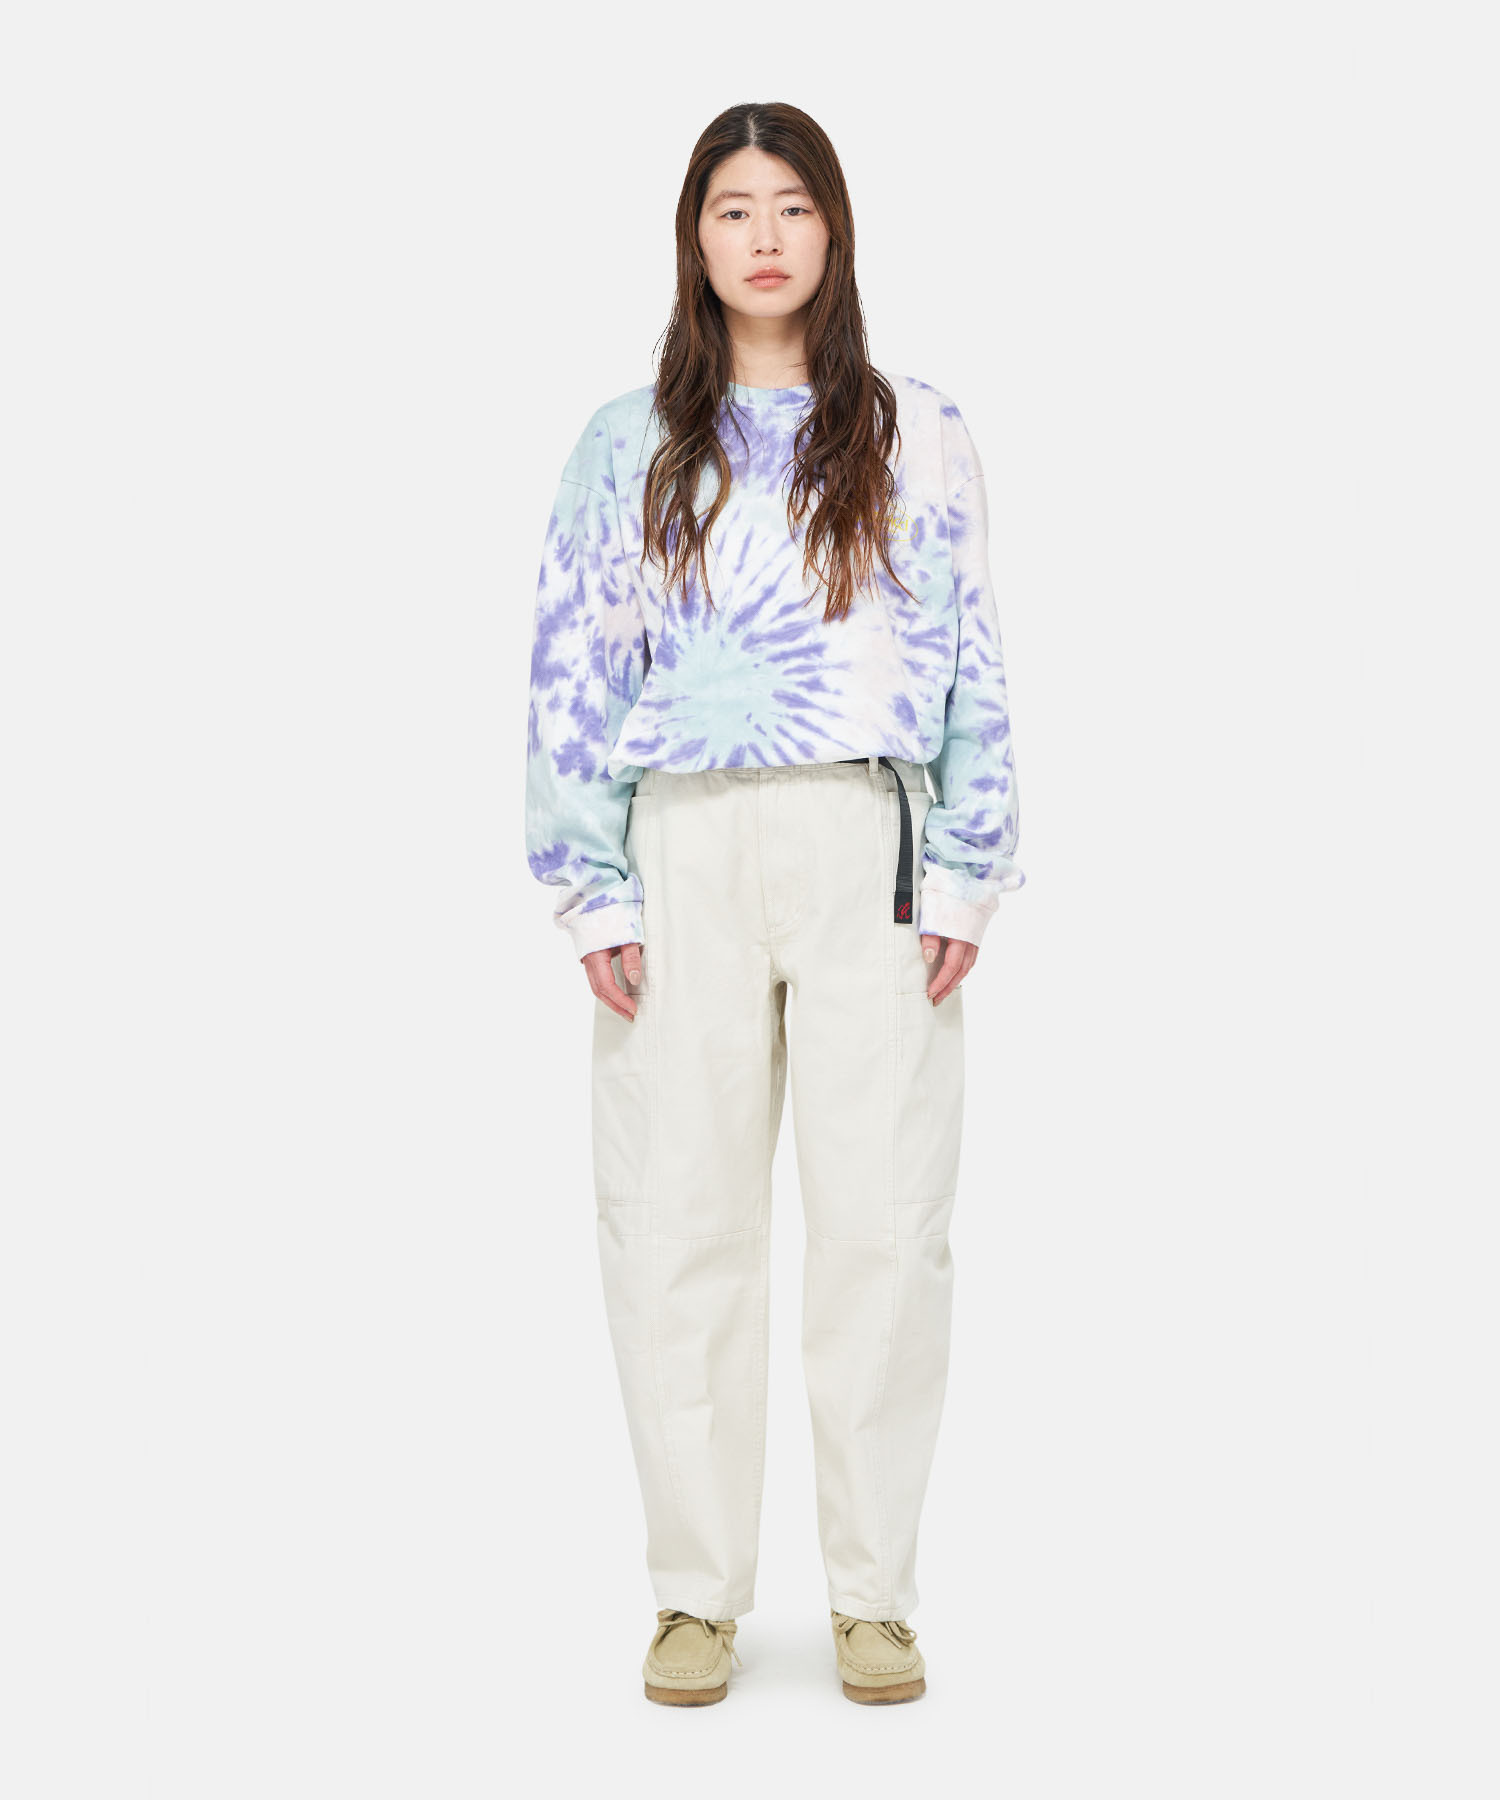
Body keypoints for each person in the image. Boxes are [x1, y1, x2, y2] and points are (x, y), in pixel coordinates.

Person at [524, 100, 1024, 1707]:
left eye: (792, 206)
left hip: (870, 837)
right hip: (680, 844)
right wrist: (590, 886)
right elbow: (573, 662)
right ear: (694, 235)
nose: (763, 236)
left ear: (834, 230)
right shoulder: (628, 446)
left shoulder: (915, 431)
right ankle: (696, 1593)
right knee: (680, 1223)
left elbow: (974, 655)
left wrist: (969, 867)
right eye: (733, 208)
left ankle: (874, 1593)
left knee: (886, 1225)